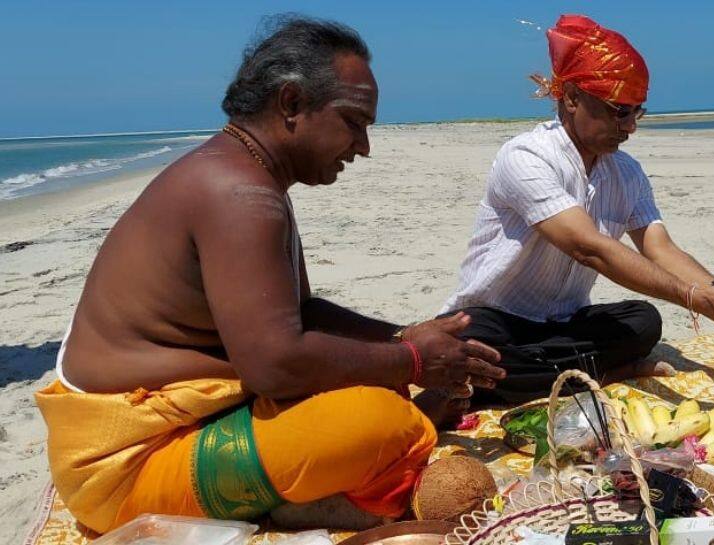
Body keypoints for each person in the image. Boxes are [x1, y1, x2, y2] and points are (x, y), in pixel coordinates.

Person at [35, 16, 503, 534]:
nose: (363, 146)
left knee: (380, 386)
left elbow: (300, 313)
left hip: (176, 422)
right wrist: (413, 361)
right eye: (353, 122)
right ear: (291, 105)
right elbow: (273, 369)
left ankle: (311, 485)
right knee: (382, 423)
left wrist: (401, 339)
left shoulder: (245, 177)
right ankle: (306, 502)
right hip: (122, 466)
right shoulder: (239, 194)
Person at [440, 15, 714, 405]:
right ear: (571, 98)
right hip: (498, 318)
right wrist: (696, 300)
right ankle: (593, 372)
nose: (631, 126)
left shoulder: (626, 171)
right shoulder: (527, 156)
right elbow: (589, 247)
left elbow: (659, 247)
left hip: (565, 323)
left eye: (638, 112)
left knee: (644, 321)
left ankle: (551, 375)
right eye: (620, 111)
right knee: (467, 347)